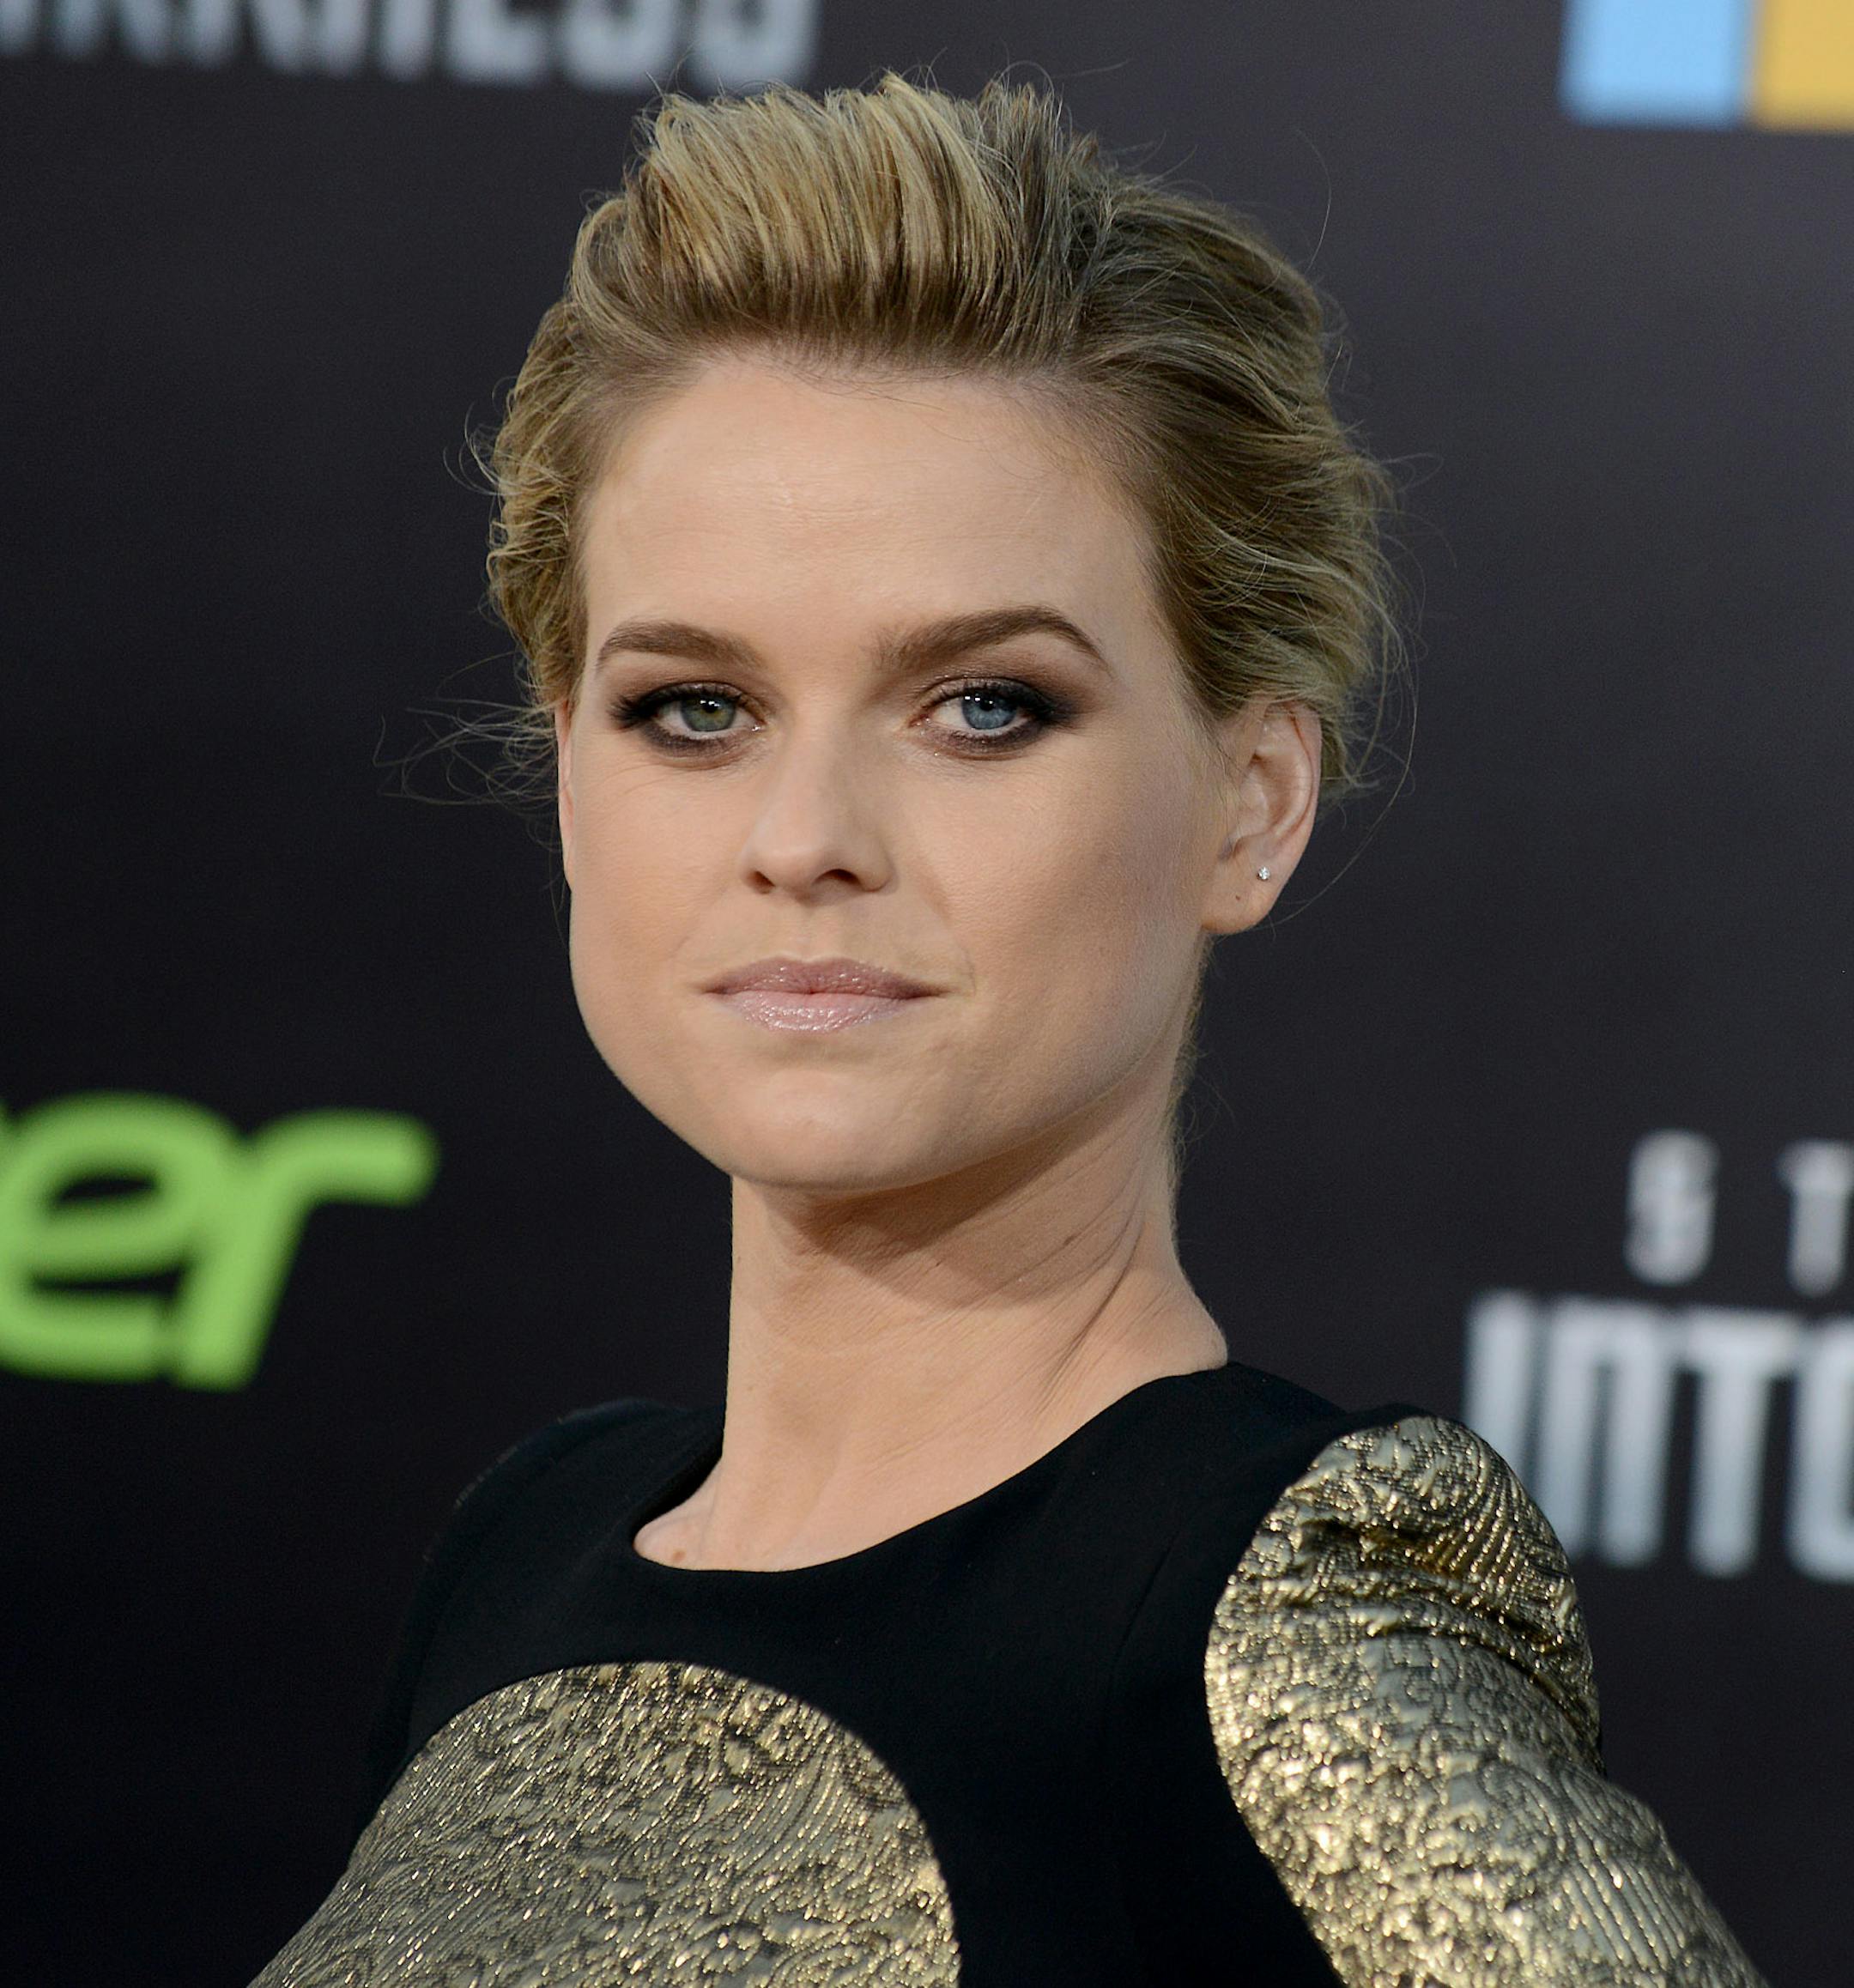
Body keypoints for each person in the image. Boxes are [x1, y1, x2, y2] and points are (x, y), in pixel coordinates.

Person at [252, 73, 1767, 1988]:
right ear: (566, 773)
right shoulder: (530, 1537)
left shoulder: (1274, 1614)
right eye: (694, 710)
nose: (805, 842)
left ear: (1253, 802)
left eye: (982, 707)